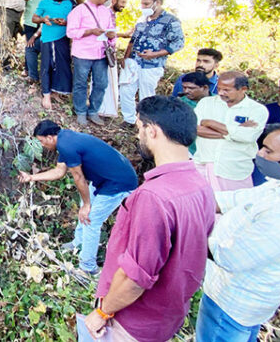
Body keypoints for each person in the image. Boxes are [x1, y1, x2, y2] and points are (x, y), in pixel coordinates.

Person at [82, 96, 215, 342]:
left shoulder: (154, 196)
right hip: (167, 315)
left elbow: (135, 278)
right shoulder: (200, 184)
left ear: (152, 131)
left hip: (134, 320)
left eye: (139, 128)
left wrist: (102, 312)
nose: (137, 135)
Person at [196, 122, 280, 342]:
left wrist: (187, 234)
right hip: (235, 299)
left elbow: (229, 257)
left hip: (232, 304)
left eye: (268, 151)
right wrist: (190, 203)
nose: (260, 154)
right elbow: (236, 199)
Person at [18, 120, 138, 275]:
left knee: (90, 220)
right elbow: (59, 172)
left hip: (119, 182)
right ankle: (78, 243)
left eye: (41, 141)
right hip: (104, 178)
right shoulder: (64, 139)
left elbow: (79, 178)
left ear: (49, 137)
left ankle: (87, 268)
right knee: (84, 208)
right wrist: (31, 178)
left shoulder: (67, 146)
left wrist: (87, 205)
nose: (42, 145)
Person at [194, 72, 269, 191]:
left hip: (234, 170)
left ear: (243, 89)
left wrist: (210, 123)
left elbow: (248, 137)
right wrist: (235, 133)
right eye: (219, 89)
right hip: (203, 165)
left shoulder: (257, 110)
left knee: (235, 207)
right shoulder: (206, 103)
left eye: (226, 90)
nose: (221, 93)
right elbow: (195, 129)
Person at [119, 0, 185, 126]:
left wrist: (155, 54)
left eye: (146, 4)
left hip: (152, 65)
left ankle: (145, 124)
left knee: (147, 95)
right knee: (125, 90)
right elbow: (133, 40)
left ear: (157, 3)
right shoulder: (142, 20)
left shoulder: (170, 21)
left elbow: (179, 43)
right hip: (133, 62)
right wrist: (125, 57)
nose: (143, 7)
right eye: (142, 4)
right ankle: (129, 120)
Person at [66, 0, 115, 126]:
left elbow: (111, 29)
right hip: (82, 54)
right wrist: (90, 31)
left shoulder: (106, 11)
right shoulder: (79, 10)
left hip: (101, 53)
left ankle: (93, 111)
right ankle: (80, 112)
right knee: (80, 84)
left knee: (101, 84)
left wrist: (112, 35)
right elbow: (70, 32)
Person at [31, 0, 75, 109]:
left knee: (62, 66)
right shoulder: (45, 2)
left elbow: (78, 20)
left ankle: (56, 91)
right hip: (48, 38)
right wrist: (43, 20)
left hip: (63, 38)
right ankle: (46, 95)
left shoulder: (71, 2)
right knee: (46, 66)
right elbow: (34, 18)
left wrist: (66, 23)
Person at [97, 0, 131, 118]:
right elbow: (105, 33)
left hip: (109, 51)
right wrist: (124, 35)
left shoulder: (111, 14)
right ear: (114, 1)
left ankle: (106, 109)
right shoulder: (106, 13)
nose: (124, 6)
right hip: (104, 52)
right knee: (105, 80)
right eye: (122, 2)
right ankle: (103, 109)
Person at [22, 0, 50, 82]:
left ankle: (37, 72)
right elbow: (20, 4)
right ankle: (27, 70)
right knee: (29, 44)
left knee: (38, 47)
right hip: (29, 22)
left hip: (42, 24)